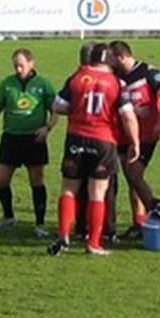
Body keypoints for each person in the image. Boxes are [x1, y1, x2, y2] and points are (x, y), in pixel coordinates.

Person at [46, 43, 137, 257]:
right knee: (98, 193)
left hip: (76, 137)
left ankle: (63, 235)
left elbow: (57, 106)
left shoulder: (76, 77)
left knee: (69, 189)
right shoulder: (117, 83)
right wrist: (135, 142)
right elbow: (128, 116)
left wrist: (77, 110)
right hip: (103, 140)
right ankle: (94, 243)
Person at [0, 49, 57, 237]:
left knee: (36, 181)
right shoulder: (7, 84)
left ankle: (40, 223)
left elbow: (55, 110)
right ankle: (8, 217)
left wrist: (47, 128)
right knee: (1, 180)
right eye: (15, 66)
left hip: (34, 138)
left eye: (21, 65)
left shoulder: (44, 84)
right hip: (11, 137)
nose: (18, 69)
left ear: (31, 63)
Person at [109, 41, 160, 241]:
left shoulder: (148, 72)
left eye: (111, 57)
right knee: (131, 178)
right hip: (122, 134)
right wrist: (132, 110)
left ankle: (158, 213)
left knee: (134, 174)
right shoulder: (114, 75)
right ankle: (139, 222)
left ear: (120, 56)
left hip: (145, 135)